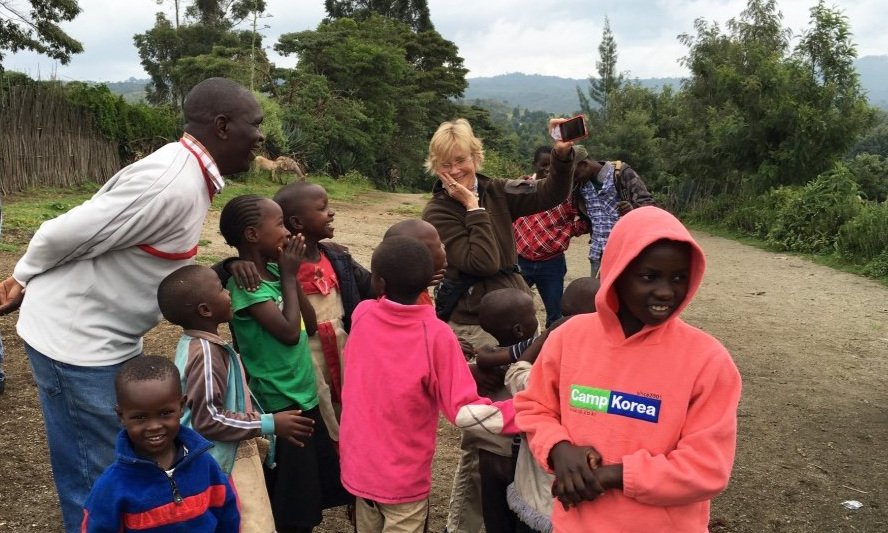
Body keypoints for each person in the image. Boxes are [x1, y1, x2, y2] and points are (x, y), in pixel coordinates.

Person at [0, 77, 263, 532]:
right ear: (222, 126)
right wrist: (20, 278)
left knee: (123, 468)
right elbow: (57, 234)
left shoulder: (189, 179)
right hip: (76, 342)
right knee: (98, 479)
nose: (261, 137)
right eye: (254, 125)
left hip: (103, 336)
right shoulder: (170, 183)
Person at [515, 206, 742, 532]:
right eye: (649, 276)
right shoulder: (568, 339)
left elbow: (707, 468)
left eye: (679, 277)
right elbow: (534, 407)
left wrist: (612, 476)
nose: (666, 291)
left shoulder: (708, 361)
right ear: (617, 273)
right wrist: (558, 449)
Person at [422, 117, 577, 533]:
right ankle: (469, 521)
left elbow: (550, 193)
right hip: (471, 323)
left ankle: (519, 505)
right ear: (434, 165)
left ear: (476, 156)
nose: (455, 171)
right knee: (485, 429)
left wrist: (562, 156)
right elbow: (482, 262)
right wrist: (473, 209)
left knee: (526, 410)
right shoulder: (438, 210)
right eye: (446, 163)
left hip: (514, 317)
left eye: (462, 160)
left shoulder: (495, 190)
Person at [338, 236, 518, 533]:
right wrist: (525, 411)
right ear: (431, 282)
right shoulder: (436, 335)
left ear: (380, 282)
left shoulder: (363, 314)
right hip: (402, 478)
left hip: (358, 467)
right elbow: (462, 411)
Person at [219, 194, 352, 532]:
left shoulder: (277, 271)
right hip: (280, 403)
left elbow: (304, 318)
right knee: (291, 499)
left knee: (308, 491)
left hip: (303, 395)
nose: (285, 231)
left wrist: (290, 274)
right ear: (252, 235)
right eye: (278, 224)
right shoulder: (246, 287)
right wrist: (290, 279)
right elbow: (291, 334)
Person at [158, 264, 316, 533]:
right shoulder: (206, 355)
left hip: (224, 456)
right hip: (223, 462)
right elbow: (208, 419)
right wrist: (269, 423)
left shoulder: (200, 344)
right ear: (205, 310)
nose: (229, 294)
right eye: (221, 289)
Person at [227, 181, 375, 446]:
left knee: (342, 415)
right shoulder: (256, 277)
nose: (331, 213)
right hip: (291, 380)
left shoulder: (335, 257)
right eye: (322, 208)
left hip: (327, 363)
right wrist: (233, 264)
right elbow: (291, 333)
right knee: (316, 435)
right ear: (297, 222)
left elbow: (368, 289)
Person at [82, 355, 240, 532]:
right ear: (121, 416)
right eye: (140, 417)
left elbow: (228, 515)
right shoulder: (111, 487)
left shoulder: (205, 465)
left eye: (165, 413)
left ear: (181, 407)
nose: (154, 426)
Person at [501, 277, 600, 533]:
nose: (561, 321)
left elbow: (516, 376)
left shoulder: (557, 361)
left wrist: (546, 336)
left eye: (568, 315)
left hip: (542, 503)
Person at [473, 288, 538, 533]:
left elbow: (483, 358)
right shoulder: (539, 350)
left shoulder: (489, 356)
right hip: (518, 457)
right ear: (519, 330)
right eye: (533, 313)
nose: (537, 316)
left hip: (488, 454)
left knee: (495, 515)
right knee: (521, 515)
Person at [513, 147, 589, 327]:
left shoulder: (566, 192)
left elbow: (585, 220)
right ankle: (519, 348)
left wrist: (567, 232)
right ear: (535, 165)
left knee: (555, 314)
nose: (548, 169)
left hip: (551, 263)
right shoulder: (522, 187)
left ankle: (552, 350)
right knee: (515, 308)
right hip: (521, 259)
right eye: (543, 164)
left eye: (551, 165)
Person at [571, 148, 655, 276]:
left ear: (584, 165)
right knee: (598, 293)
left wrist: (632, 209)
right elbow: (585, 217)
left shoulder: (620, 173)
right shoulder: (579, 186)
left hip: (626, 252)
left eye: (575, 175)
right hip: (598, 254)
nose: (573, 180)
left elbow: (649, 204)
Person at [382, 218, 447, 305]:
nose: (443, 245)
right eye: (439, 244)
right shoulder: (417, 302)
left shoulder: (392, 292)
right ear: (424, 257)